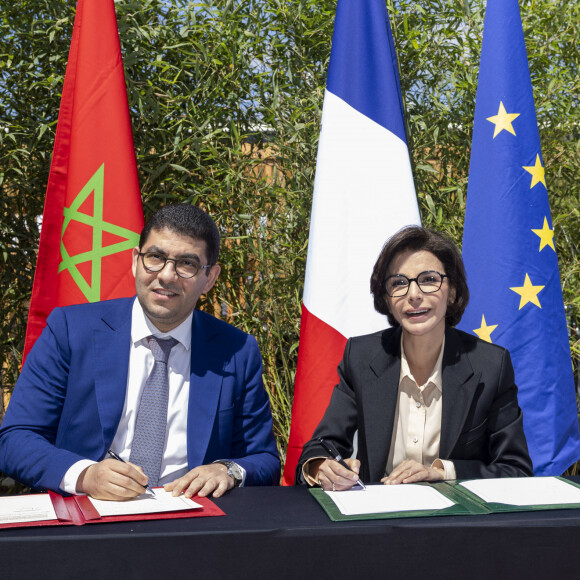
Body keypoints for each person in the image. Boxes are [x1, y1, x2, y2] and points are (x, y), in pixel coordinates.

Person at [0, 204, 280, 500]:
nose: (167, 275)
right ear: (136, 261)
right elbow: (16, 439)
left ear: (209, 278)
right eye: (156, 258)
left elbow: (264, 460)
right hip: (89, 519)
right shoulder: (71, 330)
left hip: (192, 524)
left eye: (187, 264)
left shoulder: (236, 351)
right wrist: (85, 475)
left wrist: (228, 470)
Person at [296, 226, 533, 490]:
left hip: (456, 522)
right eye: (399, 283)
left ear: (452, 291)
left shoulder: (489, 366)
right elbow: (321, 447)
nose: (414, 294)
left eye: (429, 279)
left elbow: (516, 470)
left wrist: (444, 472)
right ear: (387, 299)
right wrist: (321, 467)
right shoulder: (362, 357)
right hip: (380, 520)